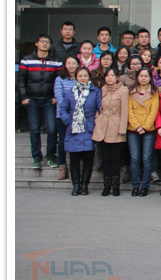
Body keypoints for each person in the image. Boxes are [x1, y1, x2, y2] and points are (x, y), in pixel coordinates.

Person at [18, 34, 62, 169]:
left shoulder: (56, 61)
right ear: (36, 43)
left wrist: (57, 96)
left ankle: (51, 156)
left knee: (52, 129)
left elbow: (59, 80)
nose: (44, 44)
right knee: (35, 130)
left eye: (47, 42)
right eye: (42, 41)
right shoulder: (27, 60)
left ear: (50, 45)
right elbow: (21, 80)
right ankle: (36, 157)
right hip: (32, 100)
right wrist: (23, 96)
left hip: (49, 100)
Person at [58, 67, 101, 196]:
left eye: (85, 76)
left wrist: (95, 123)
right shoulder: (70, 92)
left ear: (89, 77)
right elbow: (63, 109)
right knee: (74, 159)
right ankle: (76, 185)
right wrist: (68, 122)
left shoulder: (95, 91)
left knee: (88, 159)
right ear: (76, 77)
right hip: (74, 129)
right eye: (80, 76)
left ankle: (84, 186)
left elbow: (100, 109)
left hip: (89, 128)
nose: (82, 78)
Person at [92, 67, 129, 196]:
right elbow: (99, 107)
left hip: (116, 127)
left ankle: (116, 186)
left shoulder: (123, 90)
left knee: (115, 159)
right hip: (103, 127)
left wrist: (122, 129)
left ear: (117, 77)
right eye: (107, 75)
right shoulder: (103, 89)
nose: (109, 78)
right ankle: (106, 185)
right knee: (105, 159)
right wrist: (97, 119)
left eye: (112, 75)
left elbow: (124, 111)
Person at [127, 67, 160, 197]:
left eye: (146, 76)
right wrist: (137, 126)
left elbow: (154, 111)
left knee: (147, 158)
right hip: (133, 129)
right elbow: (129, 111)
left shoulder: (154, 92)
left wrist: (145, 127)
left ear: (150, 78)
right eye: (141, 76)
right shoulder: (131, 92)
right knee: (135, 158)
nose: (143, 78)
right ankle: (135, 185)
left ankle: (145, 185)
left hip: (148, 129)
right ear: (137, 77)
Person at [54, 56, 81, 180]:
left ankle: (73, 168)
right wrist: (68, 111)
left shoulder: (81, 78)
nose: (71, 65)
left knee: (75, 140)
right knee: (62, 140)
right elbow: (59, 98)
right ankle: (62, 167)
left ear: (78, 65)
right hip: (63, 115)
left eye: (73, 63)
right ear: (65, 65)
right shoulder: (60, 79)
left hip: (78, 115)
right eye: (68, 63)